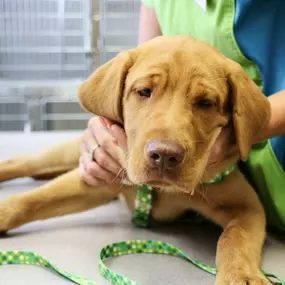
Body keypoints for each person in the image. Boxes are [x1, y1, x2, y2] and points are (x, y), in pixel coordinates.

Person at [79, 0, 285, 230]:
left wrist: (234, 136)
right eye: (145, 92)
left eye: (204, 102)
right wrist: (111, 124)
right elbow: (148, 63)